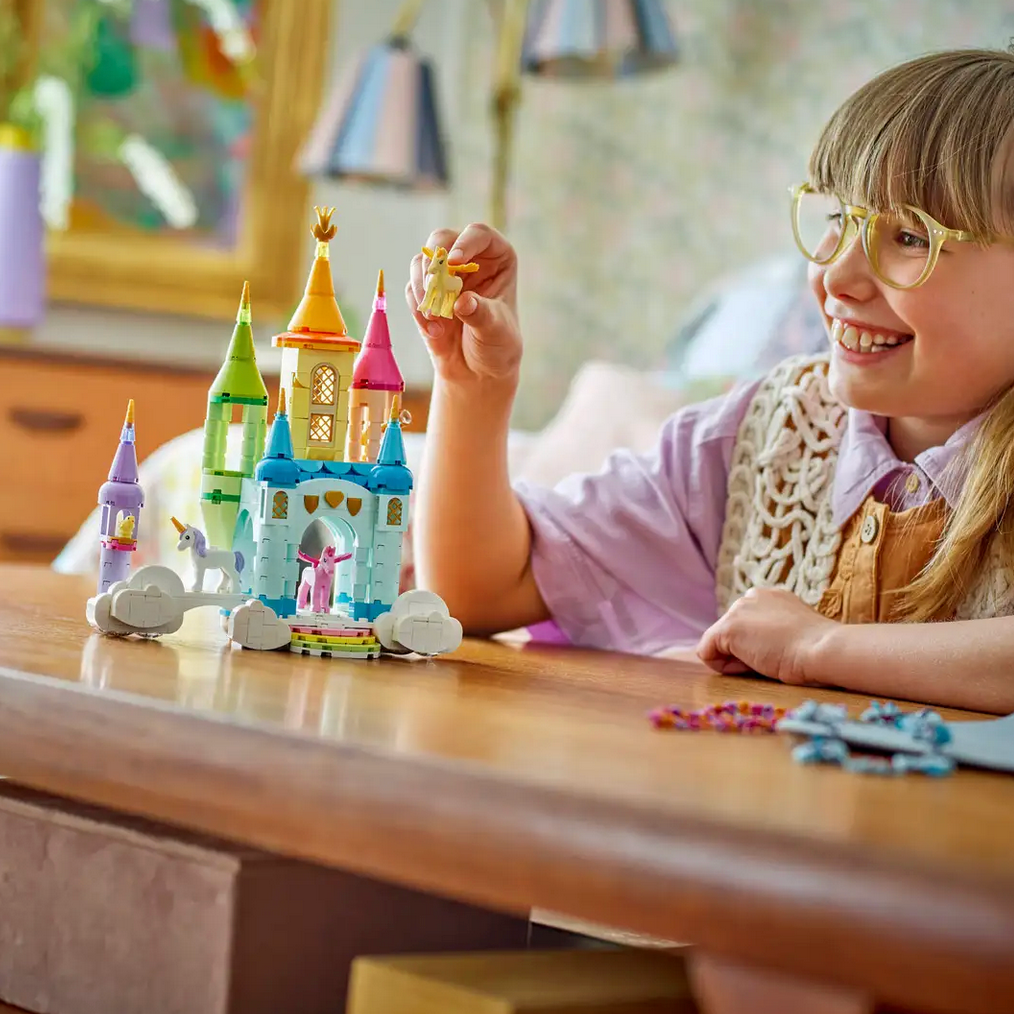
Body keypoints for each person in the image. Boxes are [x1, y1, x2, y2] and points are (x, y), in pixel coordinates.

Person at [406, 47, 1014, 715]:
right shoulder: (764, 434)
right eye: (840, 219)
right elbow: (478, 592)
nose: (836, 277)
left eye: (907, 237)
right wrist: (474, 389)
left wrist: (821, 647)